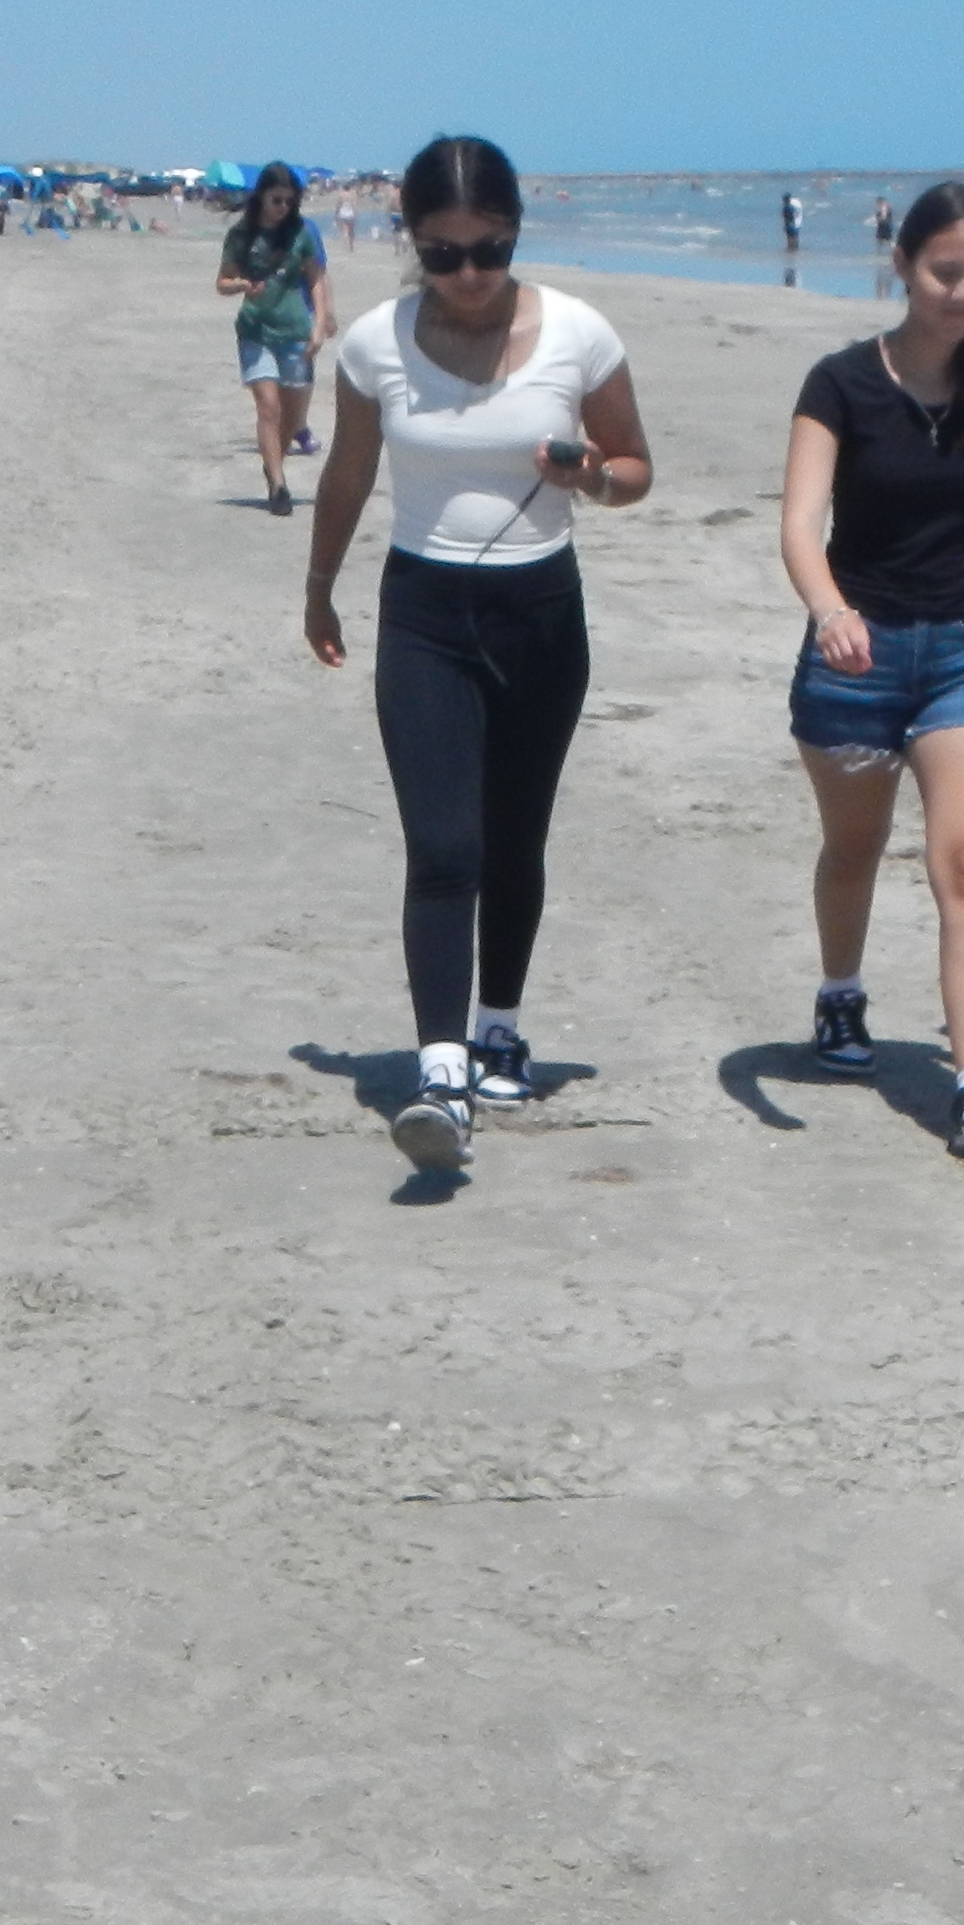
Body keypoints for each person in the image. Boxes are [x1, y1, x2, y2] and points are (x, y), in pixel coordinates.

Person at [305, 135, 655, 1175]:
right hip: (423, 613)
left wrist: (592, 472)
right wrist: (318, 586)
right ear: (413, 244)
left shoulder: (579, 336)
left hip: (542, 611)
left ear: (515, 235)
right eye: (444, 254)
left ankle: (500, 1021)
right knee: (444, 846)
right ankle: (442, 1067)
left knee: (515, 837)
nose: (467, 275)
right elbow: (349, 477)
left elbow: (636, 470)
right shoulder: (373, 344)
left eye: (488, 251)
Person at [779, 183, 964, 1158]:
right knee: (853, 850)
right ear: (903, 265)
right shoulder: (840, 383)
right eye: (947, 272)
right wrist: (829, 610)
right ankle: (840, 993)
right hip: (855, 654)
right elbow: (799, 524)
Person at [216, 162, 329, 511]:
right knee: (269, 407)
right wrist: (240, 286)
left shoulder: (301, 234)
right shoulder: (241, 235)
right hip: (255, 331)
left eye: (289, 201)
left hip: (295, 331)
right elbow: (222, 282)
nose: (283, 207)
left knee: (294, 419)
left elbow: (316, 280)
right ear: (261, 197)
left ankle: (272, 463)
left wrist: (321, 322)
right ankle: (279, 486)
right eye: (276, 200)